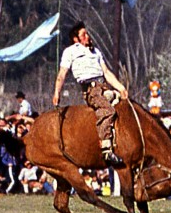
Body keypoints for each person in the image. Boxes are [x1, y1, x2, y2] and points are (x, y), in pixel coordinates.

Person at [53, 22, 130, 168]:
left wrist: (121, 89)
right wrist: (57, 92)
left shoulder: (96, 52)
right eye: (83, 35)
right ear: (76, 39)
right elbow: (62, 74)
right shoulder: (71, 52)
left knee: (123, 105)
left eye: (87, 34)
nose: (87, 37)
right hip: (91, 90)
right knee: (108, 110)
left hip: (104, 87)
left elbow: (106, 73)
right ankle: (106, 149)